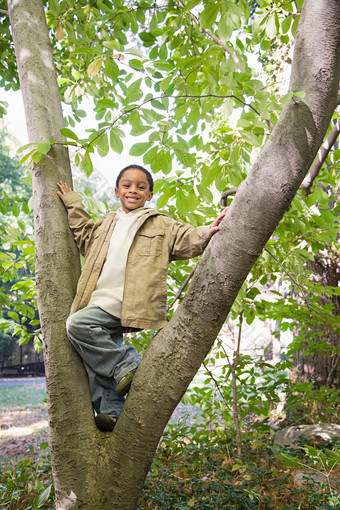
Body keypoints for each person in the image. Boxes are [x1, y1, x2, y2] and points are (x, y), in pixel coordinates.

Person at [57, 164, 227, 432]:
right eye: (126, 185)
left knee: (77, 325)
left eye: (140, 186)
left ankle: (129, 364)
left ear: (149, 194)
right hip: (98, 298)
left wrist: (208, 231)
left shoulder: (160, 224)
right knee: (95, 360)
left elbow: (188, 238)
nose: (133, 190)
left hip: (128, 300)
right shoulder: (106, 226)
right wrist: (72, 202)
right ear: (116, 191)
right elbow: (83, 233)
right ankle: (112, 412)